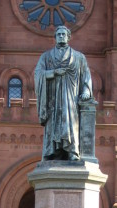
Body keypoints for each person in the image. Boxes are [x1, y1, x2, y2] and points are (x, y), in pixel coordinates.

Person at [34, 25, 92, 161]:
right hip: (52, 99)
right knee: (54, 124)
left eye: (63, 34)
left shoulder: (79, 57)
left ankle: (72, 151)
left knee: (70, 123)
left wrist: (86, 90)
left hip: (71, 99)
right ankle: (55, 151)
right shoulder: (46, 56)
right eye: (58, 34)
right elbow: (38, 74)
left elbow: (86, 75)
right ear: (54, 37)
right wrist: (53, 72)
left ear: (68, 37)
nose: (61, 36)